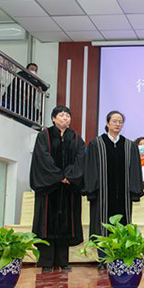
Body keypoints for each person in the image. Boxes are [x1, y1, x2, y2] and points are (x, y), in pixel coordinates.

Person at [84, 111, 144, 270]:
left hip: (122, 196)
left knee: (123, 226)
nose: (118, 124)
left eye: (120, 122)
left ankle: (120, 257)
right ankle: (103, 259)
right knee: (101, 225)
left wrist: (134, 190)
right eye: (115, 121)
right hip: (102, 196)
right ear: (108, 123)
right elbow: (90, 168)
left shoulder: (129, 145)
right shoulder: (96, 144)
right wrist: (92, 189)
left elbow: (135, 171)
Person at [30, 105, 85, 272]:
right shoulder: (44, 135)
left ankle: (63, 261)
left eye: (67, 115)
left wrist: (70, 176)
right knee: (47, 225)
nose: (65, 118)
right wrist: (59, 176)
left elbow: (81, 158)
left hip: (68, 189)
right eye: (61, 115)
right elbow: (43, 158)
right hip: (49, 189)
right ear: (54, 118)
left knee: (66, 225)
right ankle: (46, 262)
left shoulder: (76, 138)